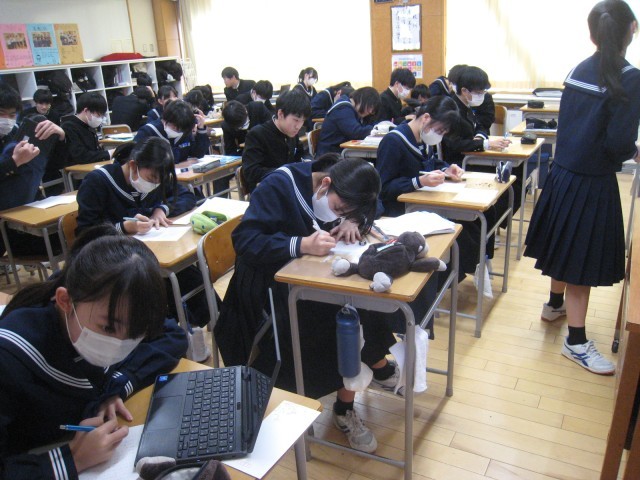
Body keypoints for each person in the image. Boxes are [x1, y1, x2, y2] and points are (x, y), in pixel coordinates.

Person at [216, 155, 401, 453]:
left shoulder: (344, 178)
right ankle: (354, 387)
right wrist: (300, 244)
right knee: (337, 317)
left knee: (362, 305)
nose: (337, 214)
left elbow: (372, 205)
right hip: (268, 282)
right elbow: (246, 240)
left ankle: (350, 399)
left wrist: (352, 219)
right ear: (325, 184)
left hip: (312, 276)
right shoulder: (279, 186)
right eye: (339, 208)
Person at [0, 229, 188, 478]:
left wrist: (117, 385)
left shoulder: (107, 308)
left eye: (135, 333)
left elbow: (172, 335)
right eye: (108, 328)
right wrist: (73, 459)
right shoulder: (10, 360)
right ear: (65, 301)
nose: (120, 344)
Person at [524, 0, 640, 375]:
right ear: (631, 29)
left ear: (593, 34)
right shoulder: (630, 77)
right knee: (581, 262)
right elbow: (618, 142)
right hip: (591, 181)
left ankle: (554, 305)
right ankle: (576, 342)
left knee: (564, 246)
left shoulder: (578, 69)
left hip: (562, 174)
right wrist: (633, 151)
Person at [76, 137, 196, 235]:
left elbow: (187, 196)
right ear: (133, 166)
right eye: (151, 178)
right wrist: (123, 228)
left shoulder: (157, 176)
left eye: (160, 181)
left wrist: (162, 210)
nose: (155, 185)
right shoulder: (97, 181)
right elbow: (85, 232)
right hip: (112, 252)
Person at [0, 83, 65, 257]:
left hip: (27, 204)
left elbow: (56, 165)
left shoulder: (16, 132)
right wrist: (14, 162)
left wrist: (60, 136)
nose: (7, 119)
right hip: (7, 220)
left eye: (12, 115)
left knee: (69, 233)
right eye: (1, 113)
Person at [241, 89, 309, 193]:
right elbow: (251, 172)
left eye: (302, 121)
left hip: (289, 186)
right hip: (267, 191)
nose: (298, 126)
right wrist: (286, 172)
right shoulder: (257, 134)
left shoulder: (290, 132)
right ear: (280, 114)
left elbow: (301, 153)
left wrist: (309, 162)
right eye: (296, 120)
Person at [134, 99, 209, 164]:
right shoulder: (148, 131)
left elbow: (199, 153)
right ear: (165, 119)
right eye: (174, 127)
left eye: (180, 129)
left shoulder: (184, 130)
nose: (177, 131)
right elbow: (136, 159)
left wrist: (201, 130)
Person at [316, 86, 380, 156]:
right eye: (370, 107)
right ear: (362, 99)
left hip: (340, 152)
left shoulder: (350, 108)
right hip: (329, 156)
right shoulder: (342, 109)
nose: (370, 112)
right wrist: (375, 128)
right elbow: (356, 133)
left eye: (372, 110)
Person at [61, 92, 110, 166]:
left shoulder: (88, 125)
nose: (100, 119)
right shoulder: (69, 127)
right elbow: (81, 156)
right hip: (78, 168)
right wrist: (108, 153)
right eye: (98, 115)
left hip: (92, 165)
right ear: (86, 111)